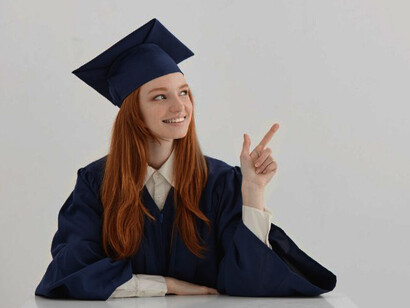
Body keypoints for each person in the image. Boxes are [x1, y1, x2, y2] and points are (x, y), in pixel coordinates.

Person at [34, 18, 337, 300]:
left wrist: (253, 193)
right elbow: (70, 274)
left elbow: (252, 281)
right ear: (132, 112)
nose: (180, 107)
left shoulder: (221, 182)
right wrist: (167, 286)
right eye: (160, 96)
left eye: (184, 92)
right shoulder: (96, 184)